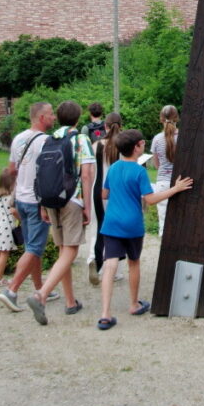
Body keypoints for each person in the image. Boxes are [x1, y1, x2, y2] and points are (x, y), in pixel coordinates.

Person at [97, 129, 192, 330]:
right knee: (133, 263)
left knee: (110, 265)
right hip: (132, 224)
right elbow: (150, 199)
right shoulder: (139, 171)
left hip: (112, 222)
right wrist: (175, 189)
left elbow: (104, 194)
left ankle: (105, 314)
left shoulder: (113, 168)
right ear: (137, 146)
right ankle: (134, 304)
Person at [26, 100, 95, 325]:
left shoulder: (50, 138)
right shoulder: (80, 139)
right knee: (71, 252)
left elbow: (43, 173)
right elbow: (86, 174)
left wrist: (43, 206)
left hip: (51, 199)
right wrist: (87, 206)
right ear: (77, 118)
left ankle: (70, 301)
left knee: (61, 251)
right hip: (72, 199)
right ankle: (41, 294)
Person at [0, 102, 58, 312]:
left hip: (21, 199)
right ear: (41, 117)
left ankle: (40, 288)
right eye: (51, 114)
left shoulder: (18, 138)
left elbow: (11, 169)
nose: (54, 118)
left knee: (32, 247)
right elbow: (48, 174)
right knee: (34, 247)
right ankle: (11, 291)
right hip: (36, 201)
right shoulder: (47, 141)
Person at [86, 112, 122, 286]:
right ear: (120, 126)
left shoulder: (96, 145)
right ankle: (112, 269)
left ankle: (93, 258)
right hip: (116, 192)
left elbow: (91, 171)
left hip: (98, 191)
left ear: (105, 126)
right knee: (115, 230)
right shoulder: (123, 145)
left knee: (98, 227)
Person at [150, 105, 179, 237]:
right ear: (177, 118)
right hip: (180, 182)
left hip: (162, 182)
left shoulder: (157, 139)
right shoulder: (183, 137)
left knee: (163, 223)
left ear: (161, 119)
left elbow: (156, 164)